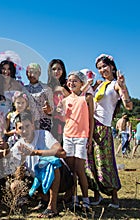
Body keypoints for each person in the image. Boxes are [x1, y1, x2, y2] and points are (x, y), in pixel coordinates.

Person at [85, 54, 133, 209]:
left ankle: (114, 199)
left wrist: (123, 86)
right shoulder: (98, 84)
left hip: (103, 128)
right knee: (90, 161)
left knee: (105, 162)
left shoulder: (116, 85)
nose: (102, 70)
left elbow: (129, 106)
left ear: (112, 66)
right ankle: (96, 195)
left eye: (104, 66)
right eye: (99, 68)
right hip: (91, 125)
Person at [10, 111, 66, 218]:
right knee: (14, 184)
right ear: (16, 130)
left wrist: (35, 152)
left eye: (27, 126)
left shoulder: (44, 134)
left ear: (33, 125)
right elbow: (18, 176)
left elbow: (62, 153)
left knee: (51, 163)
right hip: (38, 179)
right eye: (21, 128)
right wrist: (21, 160)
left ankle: (52, 207)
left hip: (61, 177)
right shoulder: (18, 146)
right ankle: (41, 198)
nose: (25, 130)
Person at [58, 71, 94, 210]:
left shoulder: (87, 98)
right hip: (68, 137)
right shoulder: (65, 100)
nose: (71, 83)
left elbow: (91, 120)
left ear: (82, 83)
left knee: (80, 170)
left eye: (75, 81)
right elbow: (60, 117)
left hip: (81, 138)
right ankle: (73, 198)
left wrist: (89, 140)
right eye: (69, 81)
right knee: (71, 170)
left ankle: (86, 199)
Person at [0, 60, 23, 142]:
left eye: (9, 69)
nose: (6, 71)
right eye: (3, 69)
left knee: (9, 143)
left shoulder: (17, 85)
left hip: (12, 118)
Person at [24, 63, 53, 131]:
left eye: (35, 72)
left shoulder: (46, 89)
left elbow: (52, 109)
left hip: (44, 122)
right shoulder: (23, 89)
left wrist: (49, 109)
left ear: (39, 73)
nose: (32, 75)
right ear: (26, 73)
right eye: (30, 72)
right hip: (28, 123)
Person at [47, 59, 70, 143]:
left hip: (68, 123)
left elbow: (75, 100)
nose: (56, 71)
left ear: (63, 71)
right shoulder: (47, 87)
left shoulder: (68, 84)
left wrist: (63, 90)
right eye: (53, 69)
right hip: (53, 124)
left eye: (59, 69)